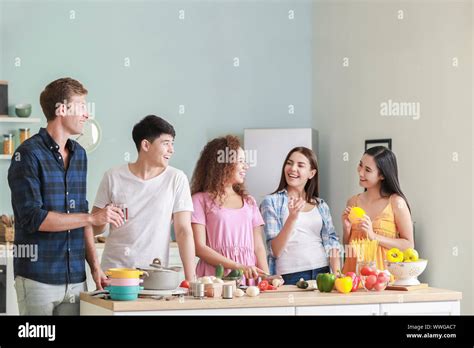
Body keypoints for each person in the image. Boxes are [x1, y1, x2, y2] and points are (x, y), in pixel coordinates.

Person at [8, 77, 119, 315]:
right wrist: (91, 218)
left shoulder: (79, 154)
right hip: (38, 279)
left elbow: (82, 213)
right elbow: (33, 218)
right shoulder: (27, 155)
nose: (87, 114)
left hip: (76, 279)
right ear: (61, 109)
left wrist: (95, 268)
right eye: (81, 106)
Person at [92, 115, 196, 281]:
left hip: (155, 274)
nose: (172, 149)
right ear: (146, 145)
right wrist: (101, 218)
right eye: (166, 143)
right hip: (115, 273)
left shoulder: (176, 179)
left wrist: (191, 279)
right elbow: (95, 228)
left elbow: (183, 230)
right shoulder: (113, 176)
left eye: (172, 143)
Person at [190, 135, 269, 284]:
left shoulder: (249, 202)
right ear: (222, 164)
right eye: (240, 161)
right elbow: (198, 247)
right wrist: (238, 266)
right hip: (214, 277)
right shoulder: (199, 200)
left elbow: (258, 246)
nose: (246, 166)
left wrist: (266, 277)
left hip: (249, 277)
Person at [260, 147, 341, 284]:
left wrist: (338, 273)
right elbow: (275, 250)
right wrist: (292, 218)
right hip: (289, 275)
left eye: (300, 165)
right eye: (289, 163)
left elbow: (332, 242)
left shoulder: (321, 205)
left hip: (323, 271)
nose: (292, 168)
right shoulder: (271, 202)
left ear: (311, 173)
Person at [342, 146, 414, 273]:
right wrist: (346, 230)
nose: (360, 172)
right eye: (360, 165)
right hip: (353, 278)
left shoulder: (396, 203)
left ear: (382, 175)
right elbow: (348, 249)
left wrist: (373, 236)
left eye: (368, 170)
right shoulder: (352, 202)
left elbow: (408, 246)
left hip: (384, 279)